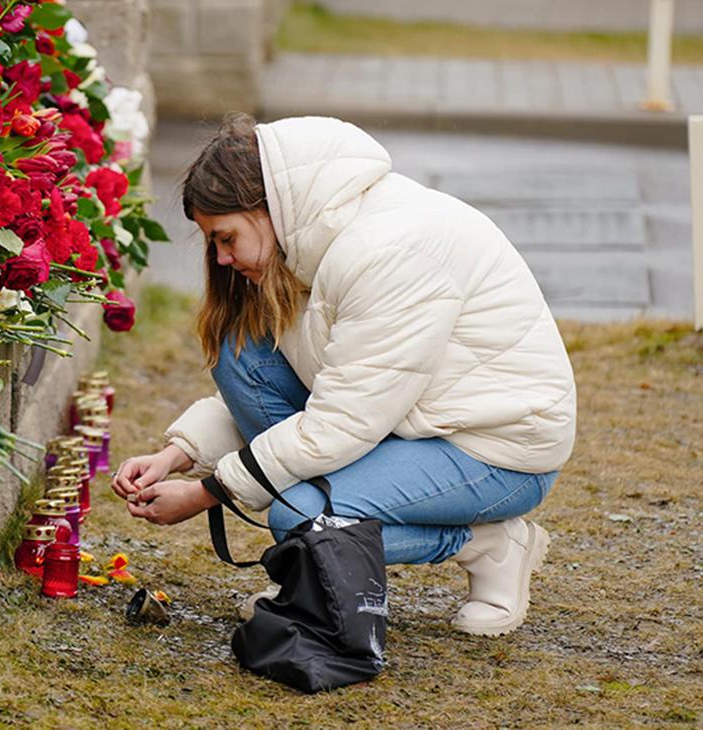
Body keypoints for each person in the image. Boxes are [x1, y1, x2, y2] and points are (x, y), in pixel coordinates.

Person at [111, 114, 576, 637]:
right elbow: (322, 389)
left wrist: (208, 493)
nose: (221, 259)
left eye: (226, 238)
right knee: (240, 350)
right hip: (400, 425)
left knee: (299, 518)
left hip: (497, 449)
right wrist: (180, 454)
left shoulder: (387, 251)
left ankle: (488, 544)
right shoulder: (309, 244)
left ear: (271, 208)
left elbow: (339, 422)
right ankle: (316, 553)